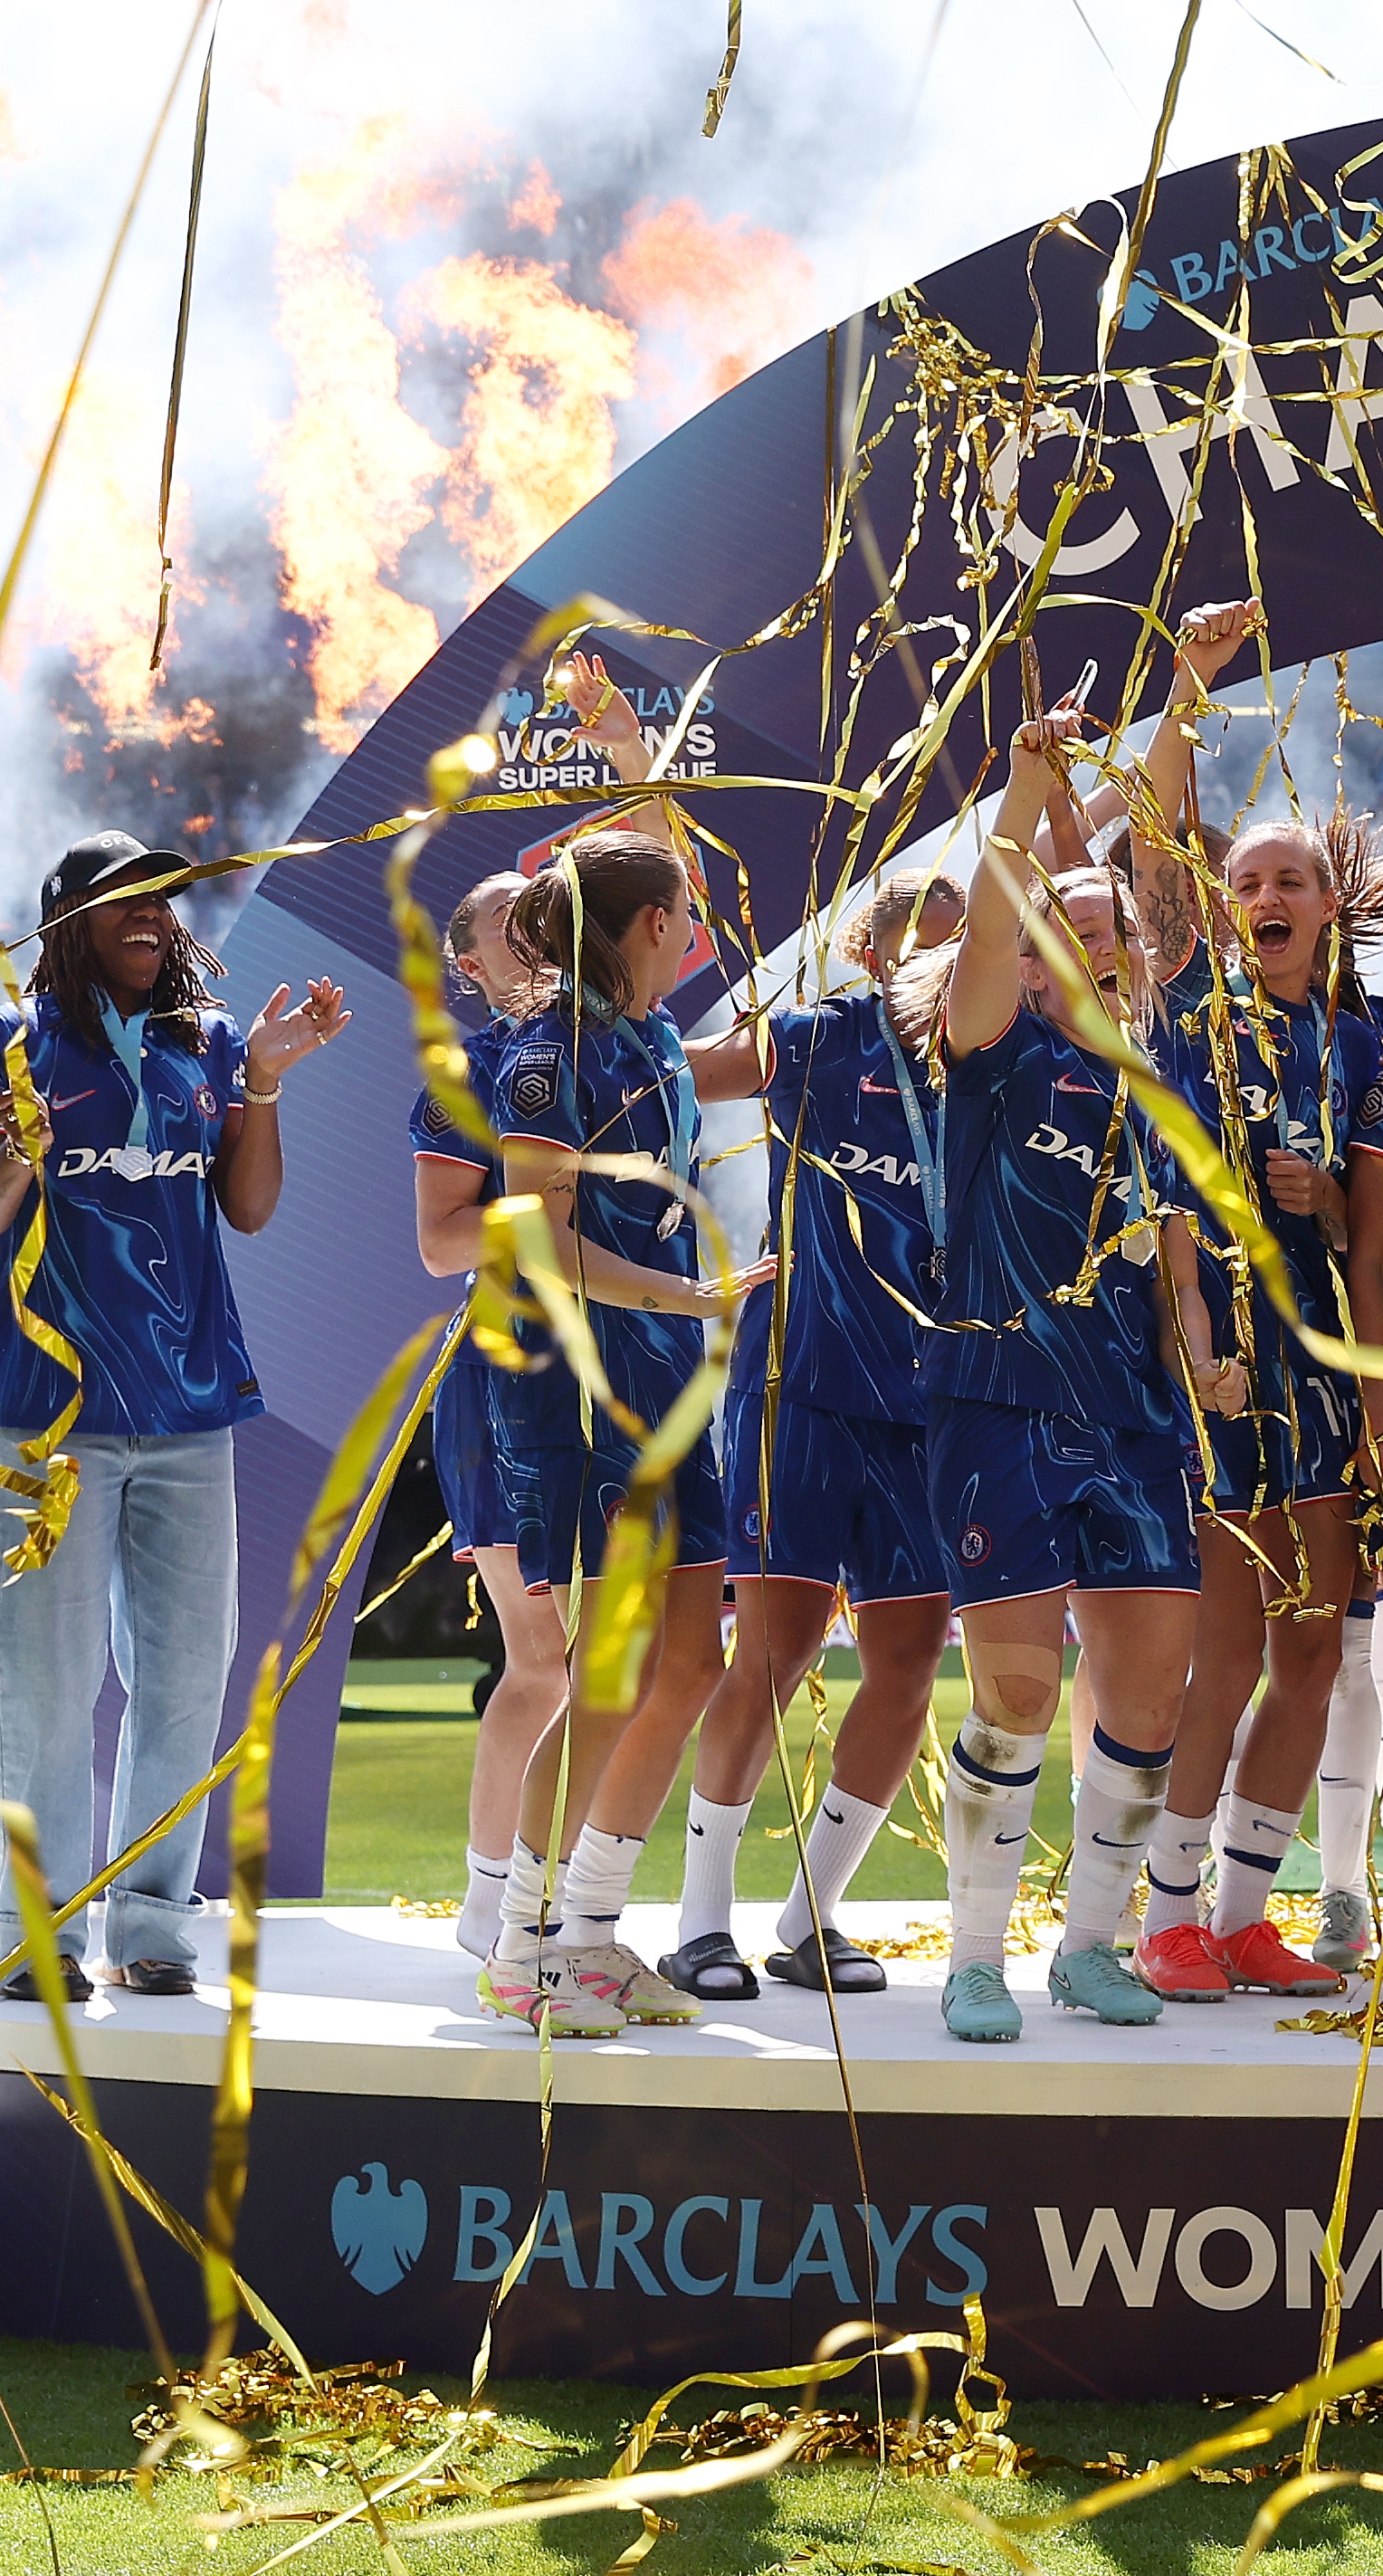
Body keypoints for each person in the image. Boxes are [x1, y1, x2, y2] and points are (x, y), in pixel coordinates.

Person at [0, 829, 349, 2001]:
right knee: (42, 1685)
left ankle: (152, 1922)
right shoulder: (2, 1044)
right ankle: (30, 1933)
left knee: (184, 1678)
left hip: (188, 1404)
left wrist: (263, 1080)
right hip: (47, 1413)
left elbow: (250, 1209)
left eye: (164, 899)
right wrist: (20, 1153)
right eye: (124, 898)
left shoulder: (207, 1042)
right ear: (64, 919)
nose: (152, 915)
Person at [1079, 598, 1383, 2005]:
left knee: (1314, 1651)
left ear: (1327, 909)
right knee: (1221, 1657)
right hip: (1207, 1365)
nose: (1265, 896)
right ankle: (1166, 1916)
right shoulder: (1188, 1004)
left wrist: (1322, 1205)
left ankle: (1250, 1913)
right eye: (1248, 879)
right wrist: (1185, 691)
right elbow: (1156, 844)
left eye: (1290, 881)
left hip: (1319, 1371)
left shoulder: (1360, 1047)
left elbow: (1371, 1244)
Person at [904, 700, 1217, 2044]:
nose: (1090, 945)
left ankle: (1090, 1947)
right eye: (1063, 931)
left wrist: (1206, 1367)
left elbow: (1176, 1280)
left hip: (1134, 1424)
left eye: (1111, 932)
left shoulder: (1164, 1098)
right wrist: (1028, 795)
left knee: (1148, 1696)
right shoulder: (994, 1055)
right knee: (1020, 1695)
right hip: (1000, 1406)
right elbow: (985, 932)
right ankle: (977, 1957)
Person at [482, 821, 776, 2032]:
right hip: (586, 1388)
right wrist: (687, 1295)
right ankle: (522, 1947)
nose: (696, 925)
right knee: (609, 1673)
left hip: (666, 1378)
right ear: (655, 924)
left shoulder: (652, 1035)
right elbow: (536, 1242)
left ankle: (592, 1934)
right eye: (686, 908)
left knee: (690, 1664)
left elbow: (750, 1056)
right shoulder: (544, 1053)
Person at [668, 862, 971, 2001]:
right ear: (871, 954)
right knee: (775, 1651)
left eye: (966, 942)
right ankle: (700, 1923)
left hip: (926, 1407)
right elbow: (669, 1068)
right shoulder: (815, 1038)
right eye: (927, 940)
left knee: (908, 1664)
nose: (948, 961)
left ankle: (810, 1918)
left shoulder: (993, 1069)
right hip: (796, 1384)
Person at [412, 866, 617, 2020]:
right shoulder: (469, 1080)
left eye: (546, 916)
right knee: (544, 1660)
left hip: (622, 1374)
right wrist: (543, 1195)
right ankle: (496, 1901)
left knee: (618, 1663)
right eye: (508, 926)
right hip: (506, 1383)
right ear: (469, 966)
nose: (535, 937)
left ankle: (578, 1914)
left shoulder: (615, 1053)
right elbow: (442, 1243)